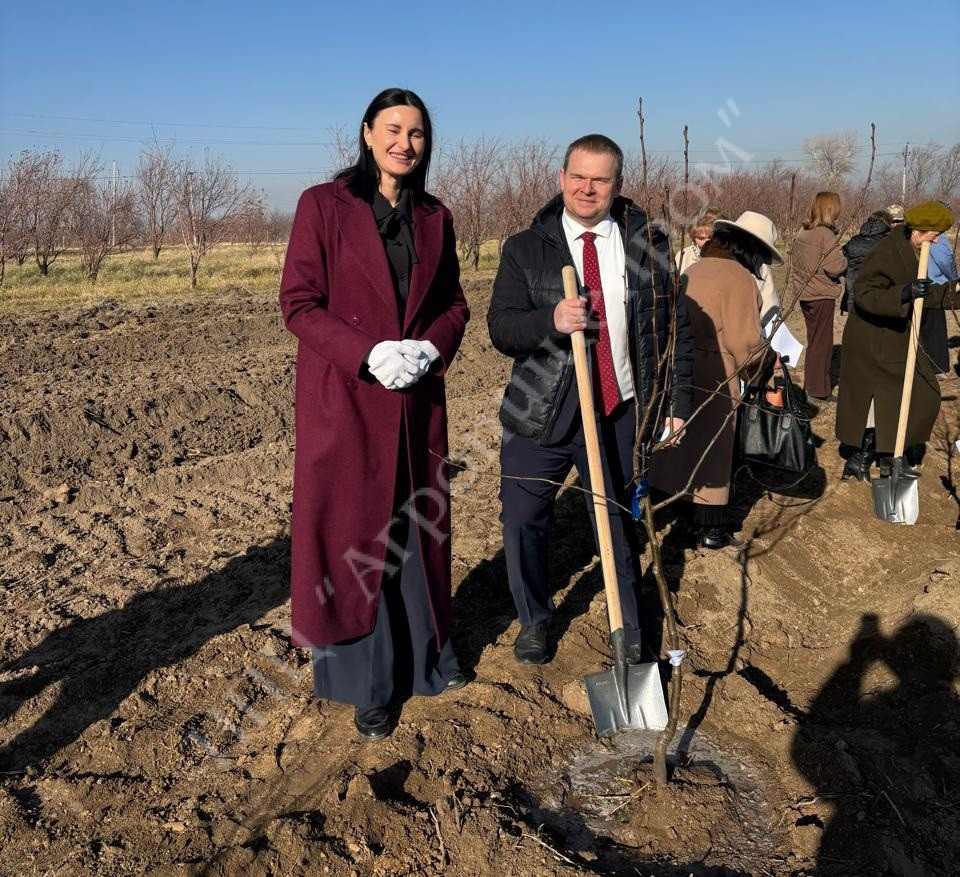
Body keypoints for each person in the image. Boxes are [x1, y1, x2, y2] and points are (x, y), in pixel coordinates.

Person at [278, 88, 470, 741]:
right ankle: (371, 686)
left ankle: (428, 662)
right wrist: (367, 354)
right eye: (392, 129)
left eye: (416, 133)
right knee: (359, 539)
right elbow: (299, 303)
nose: (403, 143)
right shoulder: (322, 204)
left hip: (416, 401)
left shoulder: (436, 217)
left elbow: (454, 304)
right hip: (347, 399)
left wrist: (430, 348)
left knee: (414, 531)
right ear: (366, 133)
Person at [487, 134, 693, 665]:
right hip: (539, 413)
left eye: (600, 179)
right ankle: (535, 618)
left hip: (617, 409)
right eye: (578, 176)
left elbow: (674, 332)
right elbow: (502, 328)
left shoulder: (649, 244)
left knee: (618, 521)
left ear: (617, 185)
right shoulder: (526, 248)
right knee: (523, 520)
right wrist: (550, 320)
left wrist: (675, 404)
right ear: (561, 179)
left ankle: (628, 627)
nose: (587, 188)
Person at [651, 212, 780, 548]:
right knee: (714, 450)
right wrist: (768, 366)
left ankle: (678, 505)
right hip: (716, 372)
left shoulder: (695, 268)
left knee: (683, 443)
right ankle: (711, 528)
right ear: (750, 250)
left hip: (681, 367)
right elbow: (744, 341)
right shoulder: (739, 277)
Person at [836, 200, 960, 476]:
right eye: (935, 234)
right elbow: (865, 294)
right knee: (895, 397)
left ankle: (883, 456)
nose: (937, 240)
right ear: (918, 230)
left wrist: (954, 291)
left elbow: (923, 294)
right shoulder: (887, 251)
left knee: (906, 397)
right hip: (873, 338)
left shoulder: (909, 248)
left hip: (891, 336)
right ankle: (876, 457)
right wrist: (903, 293)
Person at [788, 191, 847, 401]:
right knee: (822, 344)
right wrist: (845, 259)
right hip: (821, 294)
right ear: (831, 209)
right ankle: (818, 390)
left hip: (805, 293)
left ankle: (812, 386)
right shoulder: (825, 234)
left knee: (814, 342)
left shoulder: (803, 231)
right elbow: (834, 267)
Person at [921, 221, 958, 376]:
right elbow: (945, 260)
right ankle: (938, 368)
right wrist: (954, 279)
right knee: (934, 328)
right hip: (935, 286)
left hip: (921, 284)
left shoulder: (916, 231)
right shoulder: (936, 233)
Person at [839, 209, 892, 317]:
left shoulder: (854, 241)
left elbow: (842, 264)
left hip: (853, 293)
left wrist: (851, 274)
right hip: (877, 295)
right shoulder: (888, 243)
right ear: (887, 224)